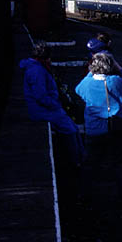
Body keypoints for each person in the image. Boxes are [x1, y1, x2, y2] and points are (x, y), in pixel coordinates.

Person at [20, 42, 85, 203]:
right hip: (44, 110)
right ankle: (76, 160)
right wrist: (56, 105)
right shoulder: (37, 71)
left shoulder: (36, 68)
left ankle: (79, 157)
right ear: (44, 57)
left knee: (72, 127)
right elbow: (41, 96)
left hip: (46, 108)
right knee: (70, 129)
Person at [76, 52, 122, 207]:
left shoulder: (86, 85)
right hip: (116, 129)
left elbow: (78, 89)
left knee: (90, 164)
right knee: (120, 164)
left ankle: (84, 196)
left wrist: (92, 70)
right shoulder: (116, 82)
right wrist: (119, 67)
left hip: (95, 130)